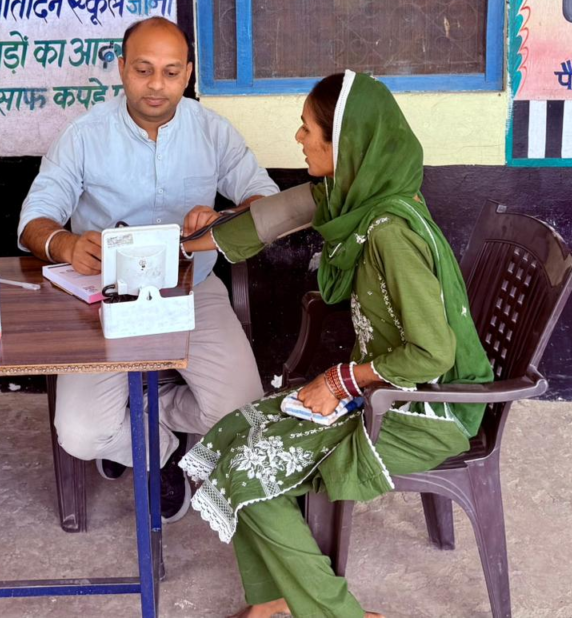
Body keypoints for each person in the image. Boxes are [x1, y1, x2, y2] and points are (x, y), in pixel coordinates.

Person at [178, 71, 495, 618]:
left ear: (343, 143)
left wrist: (341, 380)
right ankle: (274, 600)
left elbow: (432, 355)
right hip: (381, 391)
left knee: (250, 470)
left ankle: (335, 613)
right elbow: (269, 219)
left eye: (308, 129)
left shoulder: (390, 233)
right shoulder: (356, 195)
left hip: (423, 410)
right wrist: (180, 242)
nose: (298, 138)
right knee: (232, 434)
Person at [17, 17, 278, 522]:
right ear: (121, 69)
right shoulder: (85, 135)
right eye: (143, 70)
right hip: (103, 299)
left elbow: (264, 199)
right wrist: (65, 243)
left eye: (170, 72)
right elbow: (34, 220)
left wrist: (225, 218)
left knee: (243, 414)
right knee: (81, 434)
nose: (156, 85)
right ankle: (159, 450)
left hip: (191, 289)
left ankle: (142, 413)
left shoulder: (211, 130)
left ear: (188, 75)